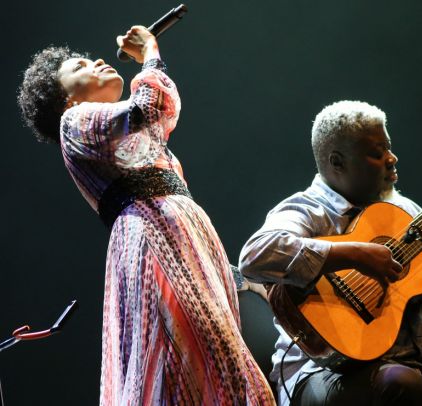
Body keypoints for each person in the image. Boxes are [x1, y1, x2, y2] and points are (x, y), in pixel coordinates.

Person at [17, 26, 275, 405]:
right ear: (66, 99)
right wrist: (151, 52)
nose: (99, 61)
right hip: (154, 237)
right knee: (191, 351)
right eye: (81, 65)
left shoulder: (121, 137)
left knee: (207, 355)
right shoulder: (75, 121)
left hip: (176, 234)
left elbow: (158, 116)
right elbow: (150, 106)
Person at [239, 100, 422, 405]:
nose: (391, 158)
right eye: (376, 153)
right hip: (322, 375)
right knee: (401, 383)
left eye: (389, 148)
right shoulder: (307, 210)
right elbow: (255, 255)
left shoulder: (406, 213)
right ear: (337, 162)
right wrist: (357, 254)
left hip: (410, 370)